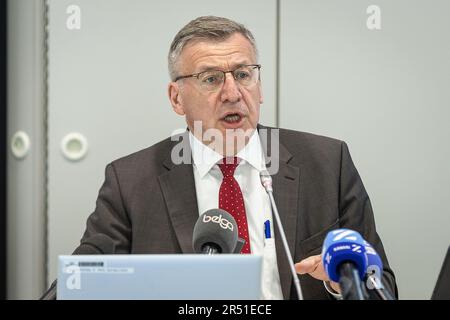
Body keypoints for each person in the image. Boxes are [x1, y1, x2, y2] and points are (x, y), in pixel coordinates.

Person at [78, 16, 397, 299]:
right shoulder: (131, 182)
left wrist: (343, 283)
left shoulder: (327, 164)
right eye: (211, 79)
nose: (232, 93)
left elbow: (383, 285)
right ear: (177, 98)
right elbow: (83, 282)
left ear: (259, 87)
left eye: (243, 75)